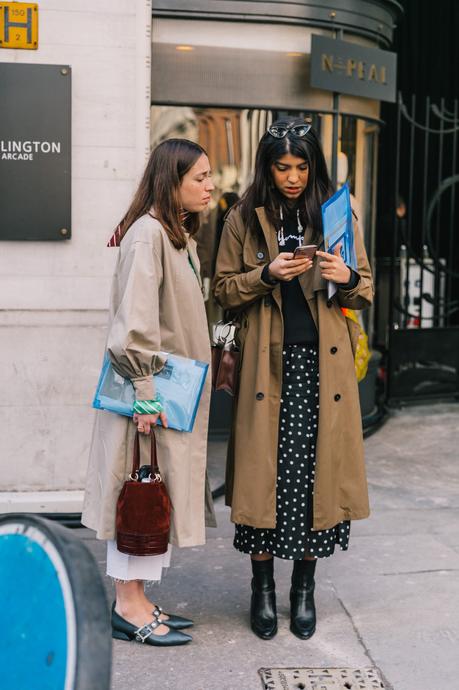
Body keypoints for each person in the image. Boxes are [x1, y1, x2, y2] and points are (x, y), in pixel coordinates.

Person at [213, 118, 374, 641]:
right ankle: (262, 588)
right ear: (267, 167)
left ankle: (302, 589)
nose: (293, 177)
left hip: (321, 367)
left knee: (314, 480)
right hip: (265, 364)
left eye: (302, 166)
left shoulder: (335, 211)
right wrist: (266, 276)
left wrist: (344, 276)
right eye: (283, 167)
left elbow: (363, 287)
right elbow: (221, 290)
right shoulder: (242, 215)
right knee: (264, 479)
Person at [82, 138, 216, 647]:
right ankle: (127, 604)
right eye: (199, 177)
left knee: (151, 491)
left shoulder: (175, 235)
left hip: (165, 394)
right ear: (171, 180)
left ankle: (138, 597)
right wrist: (143, 392)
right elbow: (134, 323)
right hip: (151, 396)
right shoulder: (148, 236)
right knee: (137, 493)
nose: (210, 186)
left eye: (209, 176)